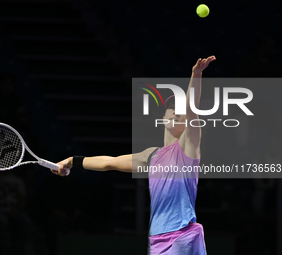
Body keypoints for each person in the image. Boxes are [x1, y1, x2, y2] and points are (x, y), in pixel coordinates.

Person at [51, 56, 216, 254]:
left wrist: (196, 75)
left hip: (183, 234)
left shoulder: (189, 146)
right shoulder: (151, 156)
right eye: (171, 108)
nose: (176, 112)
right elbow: (109, 163)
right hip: (157, 239)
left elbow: (191, 109)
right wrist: (72, 161)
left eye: (180, 110)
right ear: (163, 118)